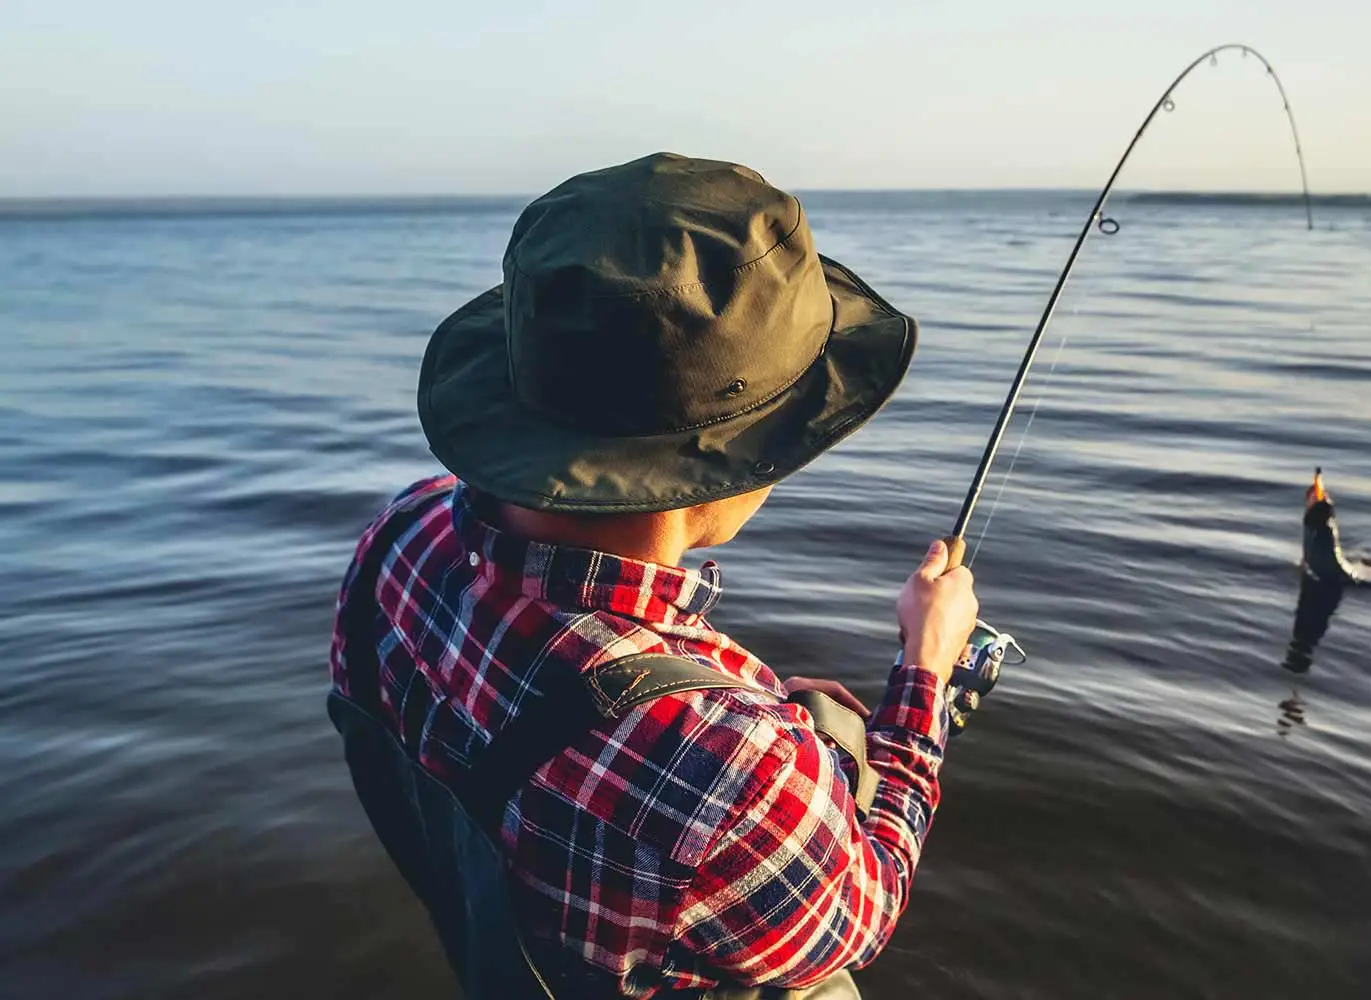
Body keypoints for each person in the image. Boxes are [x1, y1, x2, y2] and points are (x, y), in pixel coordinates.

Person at [326, 153, 978, 999]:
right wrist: (924, 673)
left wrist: (772, 718)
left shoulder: (398, 535)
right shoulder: (735, 769)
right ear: (739, 454)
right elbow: (867, 906)